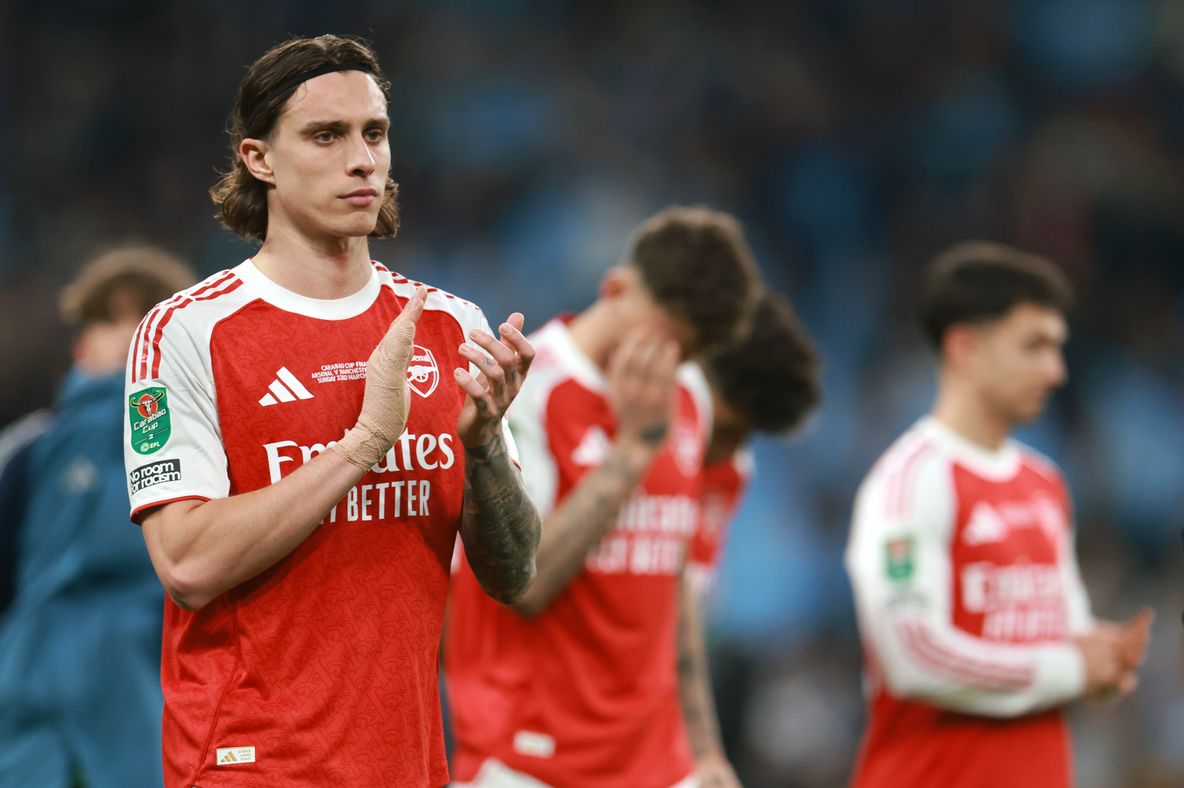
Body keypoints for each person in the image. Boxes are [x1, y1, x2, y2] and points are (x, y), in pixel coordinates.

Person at [124, 35, 540, 787]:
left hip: (410, 764)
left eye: (374, 133)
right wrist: (363, 445)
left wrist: (481, 452)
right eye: (327, 135)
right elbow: (186, 562)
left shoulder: (450, 326)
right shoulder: (187, 331)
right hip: (250, 765)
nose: (363, 160)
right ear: (260, 160)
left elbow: (514, 575)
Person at [445, 206, 759, 788]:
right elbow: (523, 583)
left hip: (657, 764)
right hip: (526, 761)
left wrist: (706, 749)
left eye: (688, 355)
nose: (670, 366)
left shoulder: (687, 394)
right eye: (664, 341)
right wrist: (633, 451)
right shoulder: (527, 391)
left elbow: (675, 576)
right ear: (615, 289)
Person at [844, 242, 1152, 788]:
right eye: (1033, 347)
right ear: (965, 347)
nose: (1055, 371)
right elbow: (913, 654)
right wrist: (1070, 669)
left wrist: (1102, 660)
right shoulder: (911, 481)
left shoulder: (1044, 483)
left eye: (1058, 348)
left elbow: (1063, 630)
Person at [0, 246, 194, 787]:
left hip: (150, 689)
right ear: (80, 346)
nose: (128, 332)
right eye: (110, 317)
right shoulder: (27, 450)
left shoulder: (209, 446)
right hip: (22, 689)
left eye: (147, 314)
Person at [688, 290, 822, 597]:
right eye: (722, 431)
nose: (730, 452)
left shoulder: (730, 471)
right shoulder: (589, 430)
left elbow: (686, 600)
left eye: (745, 438)